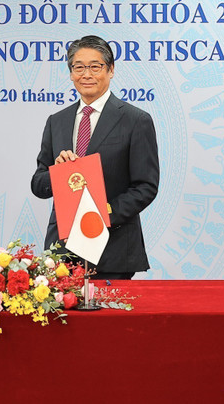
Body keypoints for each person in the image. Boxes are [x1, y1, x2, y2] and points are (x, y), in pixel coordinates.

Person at [31, 35, 159, 279]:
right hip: (63, 252)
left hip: (113, 249)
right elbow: (38, 184)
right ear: (70, 73)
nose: (86, 74)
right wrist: (56, 174)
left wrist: (103, 214)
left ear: (111, 70)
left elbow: (145, 186)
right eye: (78, 67)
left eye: (95, 66)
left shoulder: (135, 120)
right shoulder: (56, 121)